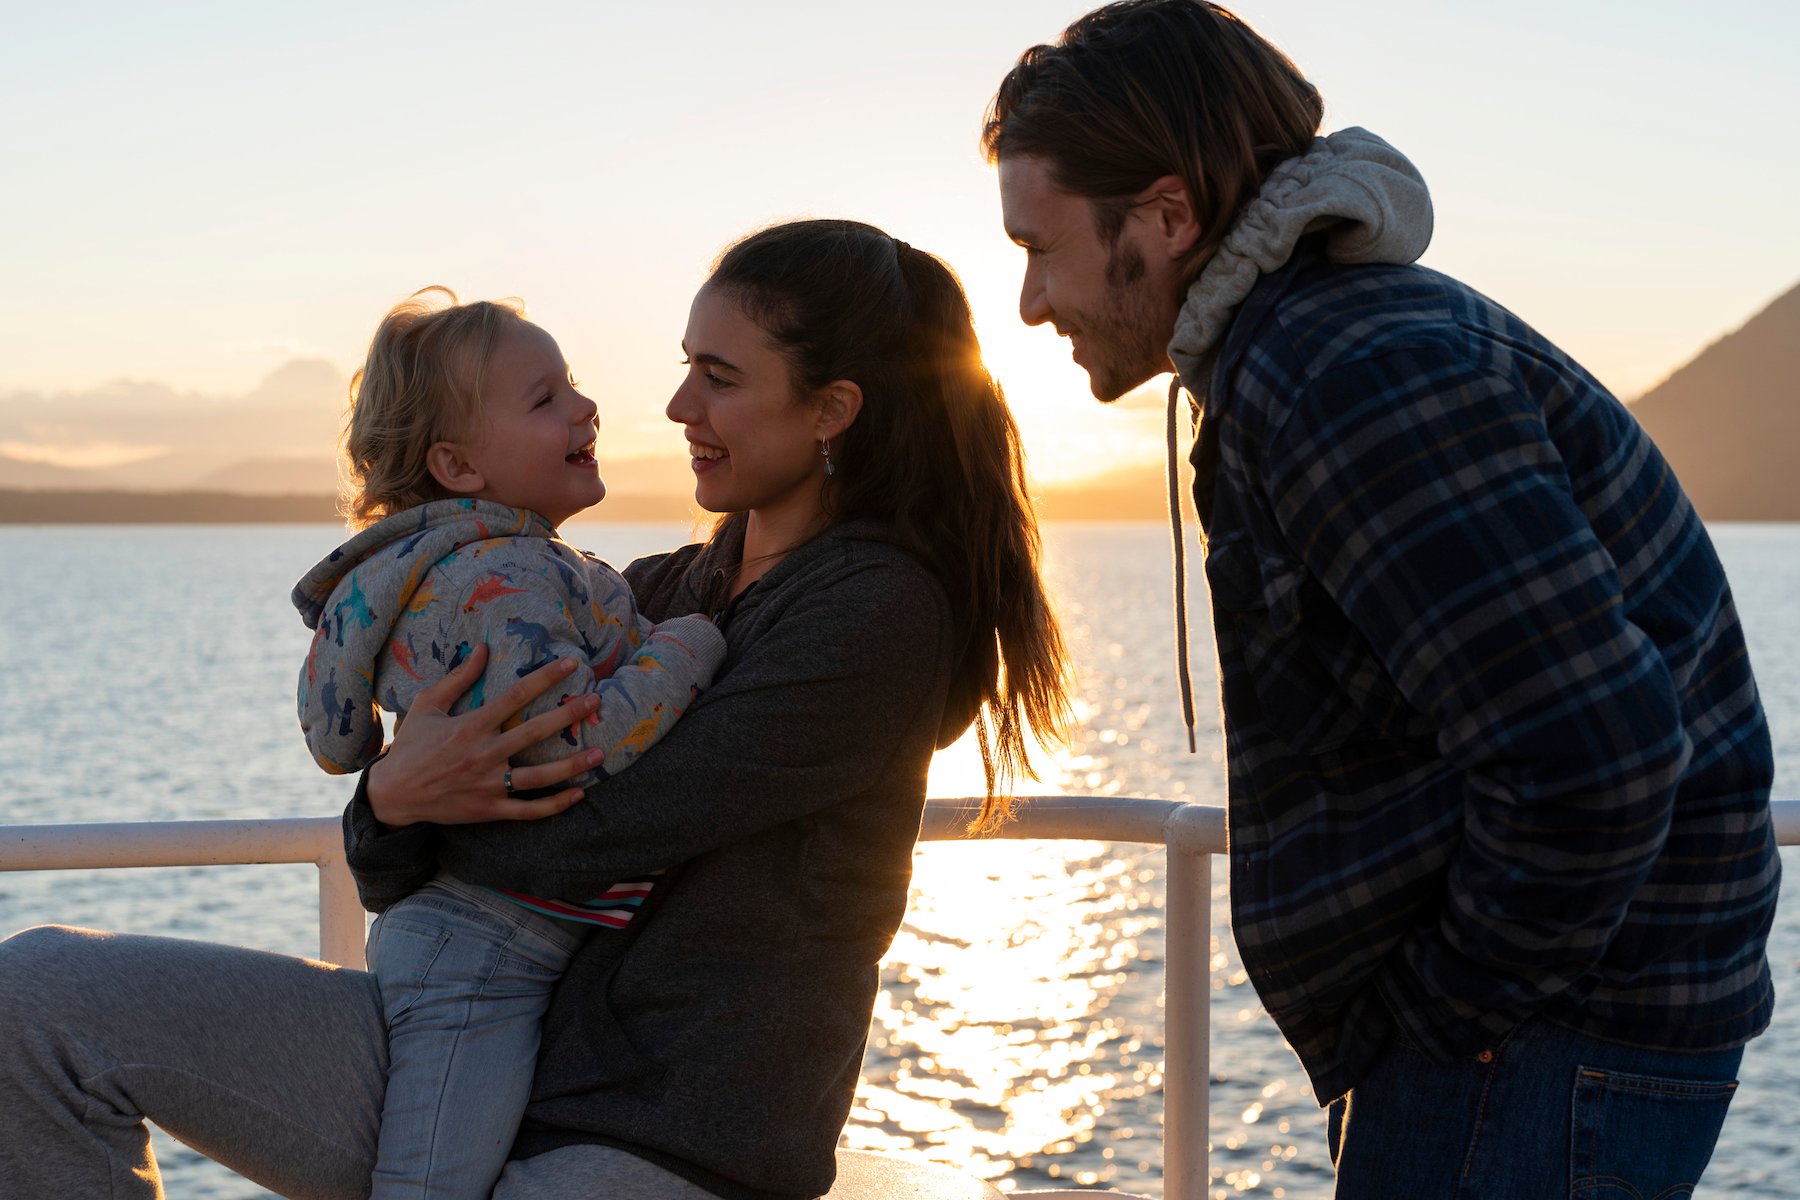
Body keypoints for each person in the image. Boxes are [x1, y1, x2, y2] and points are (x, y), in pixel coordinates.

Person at [0, 219, 1070, 1200]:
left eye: (719, 377)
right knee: (36, 1002)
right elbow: (392, 872)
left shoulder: (874, 615)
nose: (677, 408)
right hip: (481, 1047)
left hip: (664, 1134)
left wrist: (415, 809)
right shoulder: (652, 593)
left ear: (833, 409)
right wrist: (389, 795)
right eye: (683, 368)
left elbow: (581, 841)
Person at [982, 3, 1779, 1196]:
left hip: (1550, 1042)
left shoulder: (1343, 370)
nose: (1032, 303)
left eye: (1040, 249)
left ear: (1166, 215)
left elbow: (1594, 752)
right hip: (1558, 1029)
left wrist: (1445, 1012)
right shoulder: (1319, 346)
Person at [292, 288, 727, 1198]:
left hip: (458, 937)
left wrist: (380, 772)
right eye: (545, 401)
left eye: (572, 385)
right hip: (485, 958)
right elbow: (579, 745)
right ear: (458, 464)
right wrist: (690, 645)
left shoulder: (392, 575)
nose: (585, 408)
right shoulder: (511, 575)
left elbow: (334, 734)